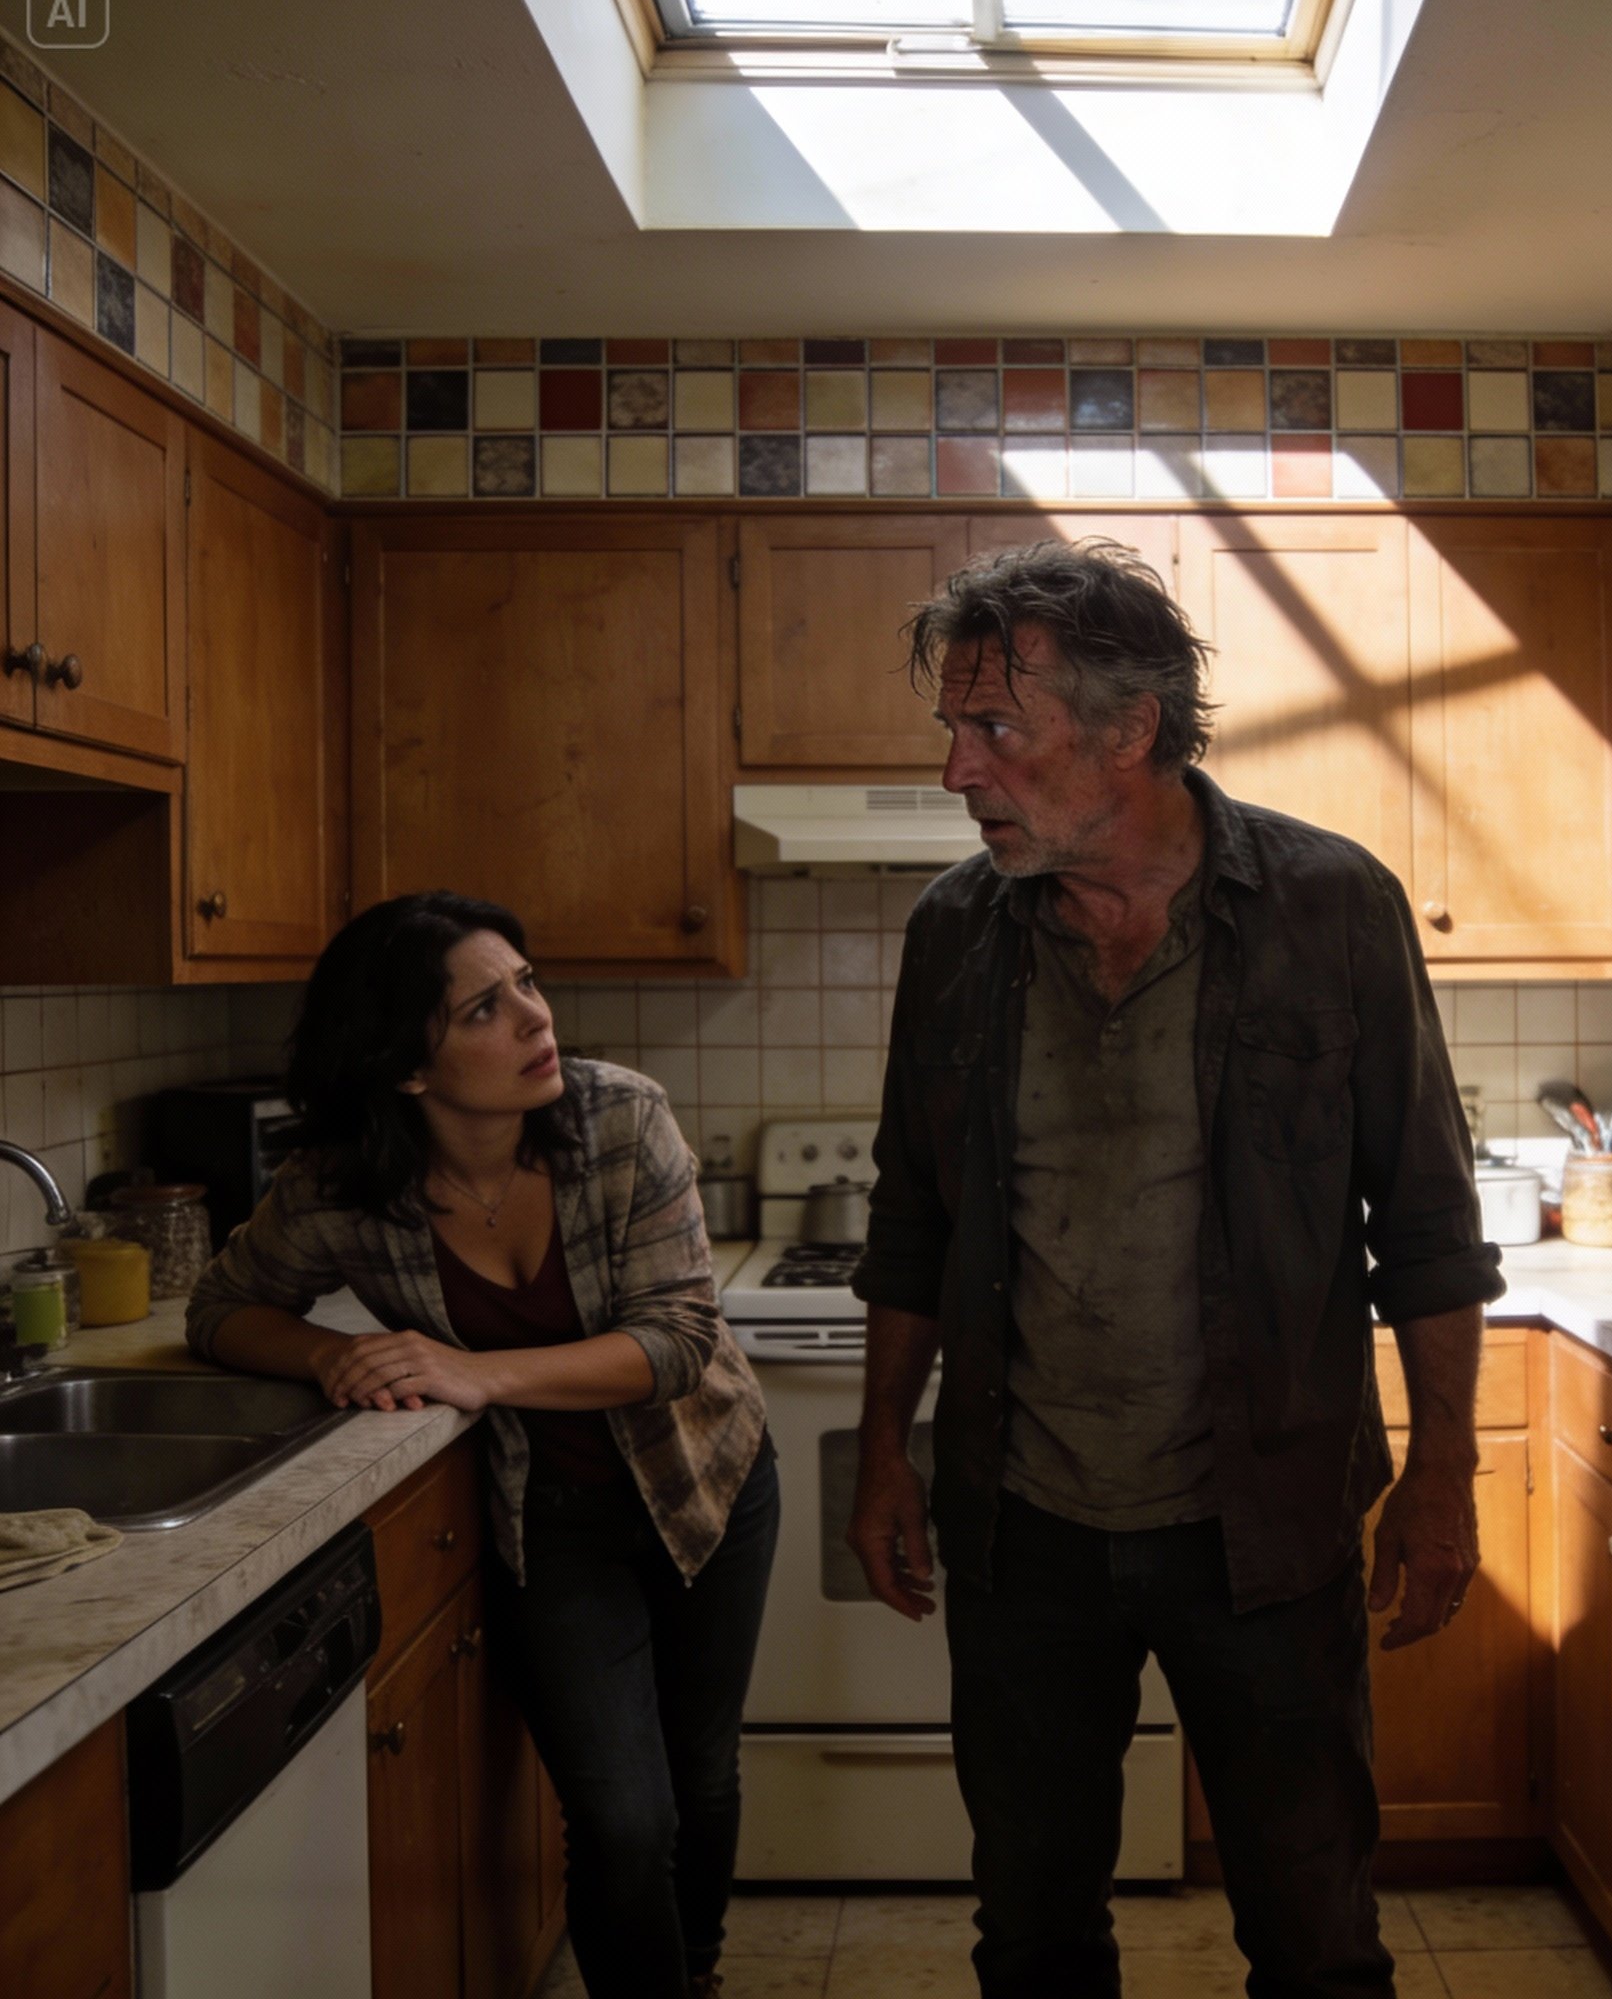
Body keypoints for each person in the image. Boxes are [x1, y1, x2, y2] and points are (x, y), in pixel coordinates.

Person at [844, 538, 1503, 1999]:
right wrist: (884, 1448)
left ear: (1129, 729)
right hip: (1022, 1527)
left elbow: (1427, 1221)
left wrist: (1445, 1473)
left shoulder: (1331, 906)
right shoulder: (955, 931)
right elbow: (912, 1220)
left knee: (1318, 1940)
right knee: (1032, 1933)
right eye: (952, 729)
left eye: (993, 728)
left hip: (1266, 1521)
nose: (956, 771)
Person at [184, 893, 774, 1999]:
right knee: (621, 1811)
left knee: (698, 1774)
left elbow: (678, 1341)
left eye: (526, 984)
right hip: (547, 1514)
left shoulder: (620, 1116)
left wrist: (475, 1373)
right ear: (407, 1067)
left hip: (703, 1480)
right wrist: (328, 1353)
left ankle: (691, 1969)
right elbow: (221, 1308)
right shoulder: (337, 1184)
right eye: (483, 1010)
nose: (536, 1017)